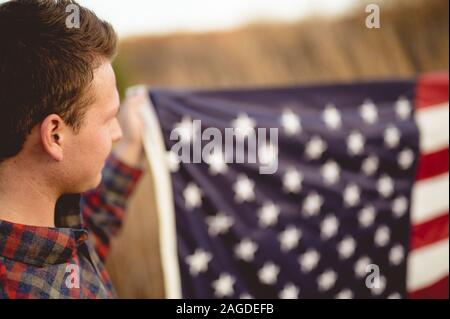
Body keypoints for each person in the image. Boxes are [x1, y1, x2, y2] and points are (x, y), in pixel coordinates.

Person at [0, 0, 148, 298]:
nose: (118, 133)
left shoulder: (55, 224)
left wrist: (130, 153)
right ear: (55, 136)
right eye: (109, 120)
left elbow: (84, 244)